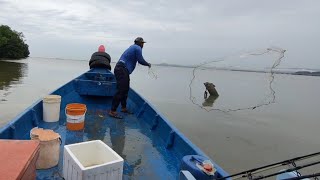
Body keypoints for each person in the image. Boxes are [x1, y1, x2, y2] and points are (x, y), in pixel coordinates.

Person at [109, 37, 151, 119]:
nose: (143, 45)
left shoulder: (132, 47)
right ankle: (112, 111)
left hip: (122, 70)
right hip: (122, 69)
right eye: (142, 43)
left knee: (125, 89)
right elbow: (141, 60)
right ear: (139, 43)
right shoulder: (137, 48)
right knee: (121, 90)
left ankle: (123, 108)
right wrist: (148, 64)